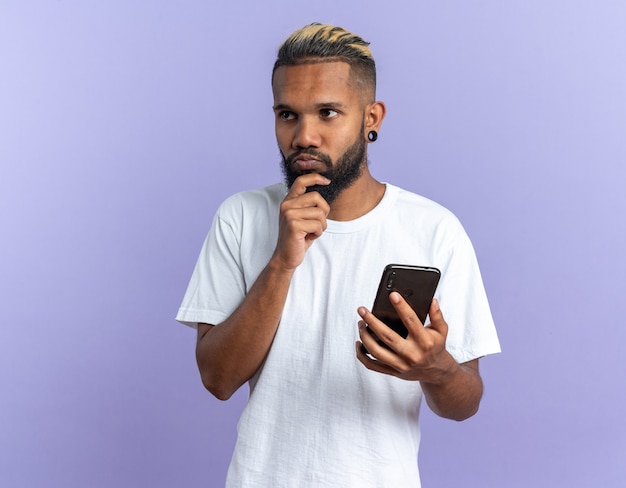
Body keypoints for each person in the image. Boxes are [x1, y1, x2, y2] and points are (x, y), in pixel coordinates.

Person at [176, 22, 501, 487]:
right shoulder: (241, 217)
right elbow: (218, 379)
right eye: (287, 114)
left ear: (372, 119)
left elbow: (465, 403)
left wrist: (437, 368)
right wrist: (283, 262)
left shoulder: (435, 230)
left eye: (328, 112)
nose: (304, 136)